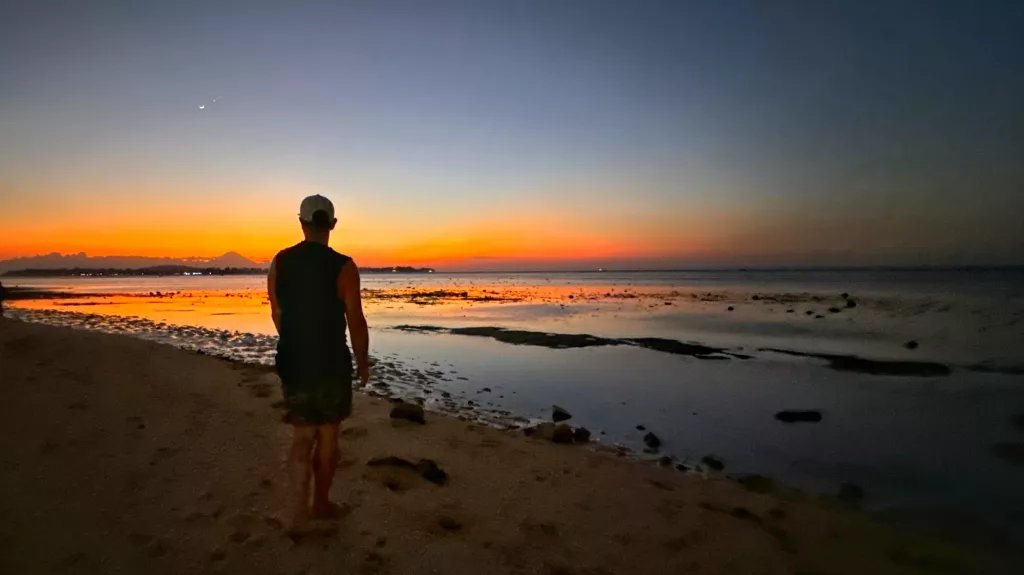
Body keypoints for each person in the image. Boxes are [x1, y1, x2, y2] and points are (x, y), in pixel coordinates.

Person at [267, 194, 371, 530]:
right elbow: (355, 319)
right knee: (328, 439)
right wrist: (363, 361)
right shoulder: (344, 266)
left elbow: (278, 313)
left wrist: (296, 341)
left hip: (294, 361)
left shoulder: (280, 262)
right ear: (333, 225)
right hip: (330, 364)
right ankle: (321, 505)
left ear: (302, 223)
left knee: (301, 437)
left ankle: (297, 513)